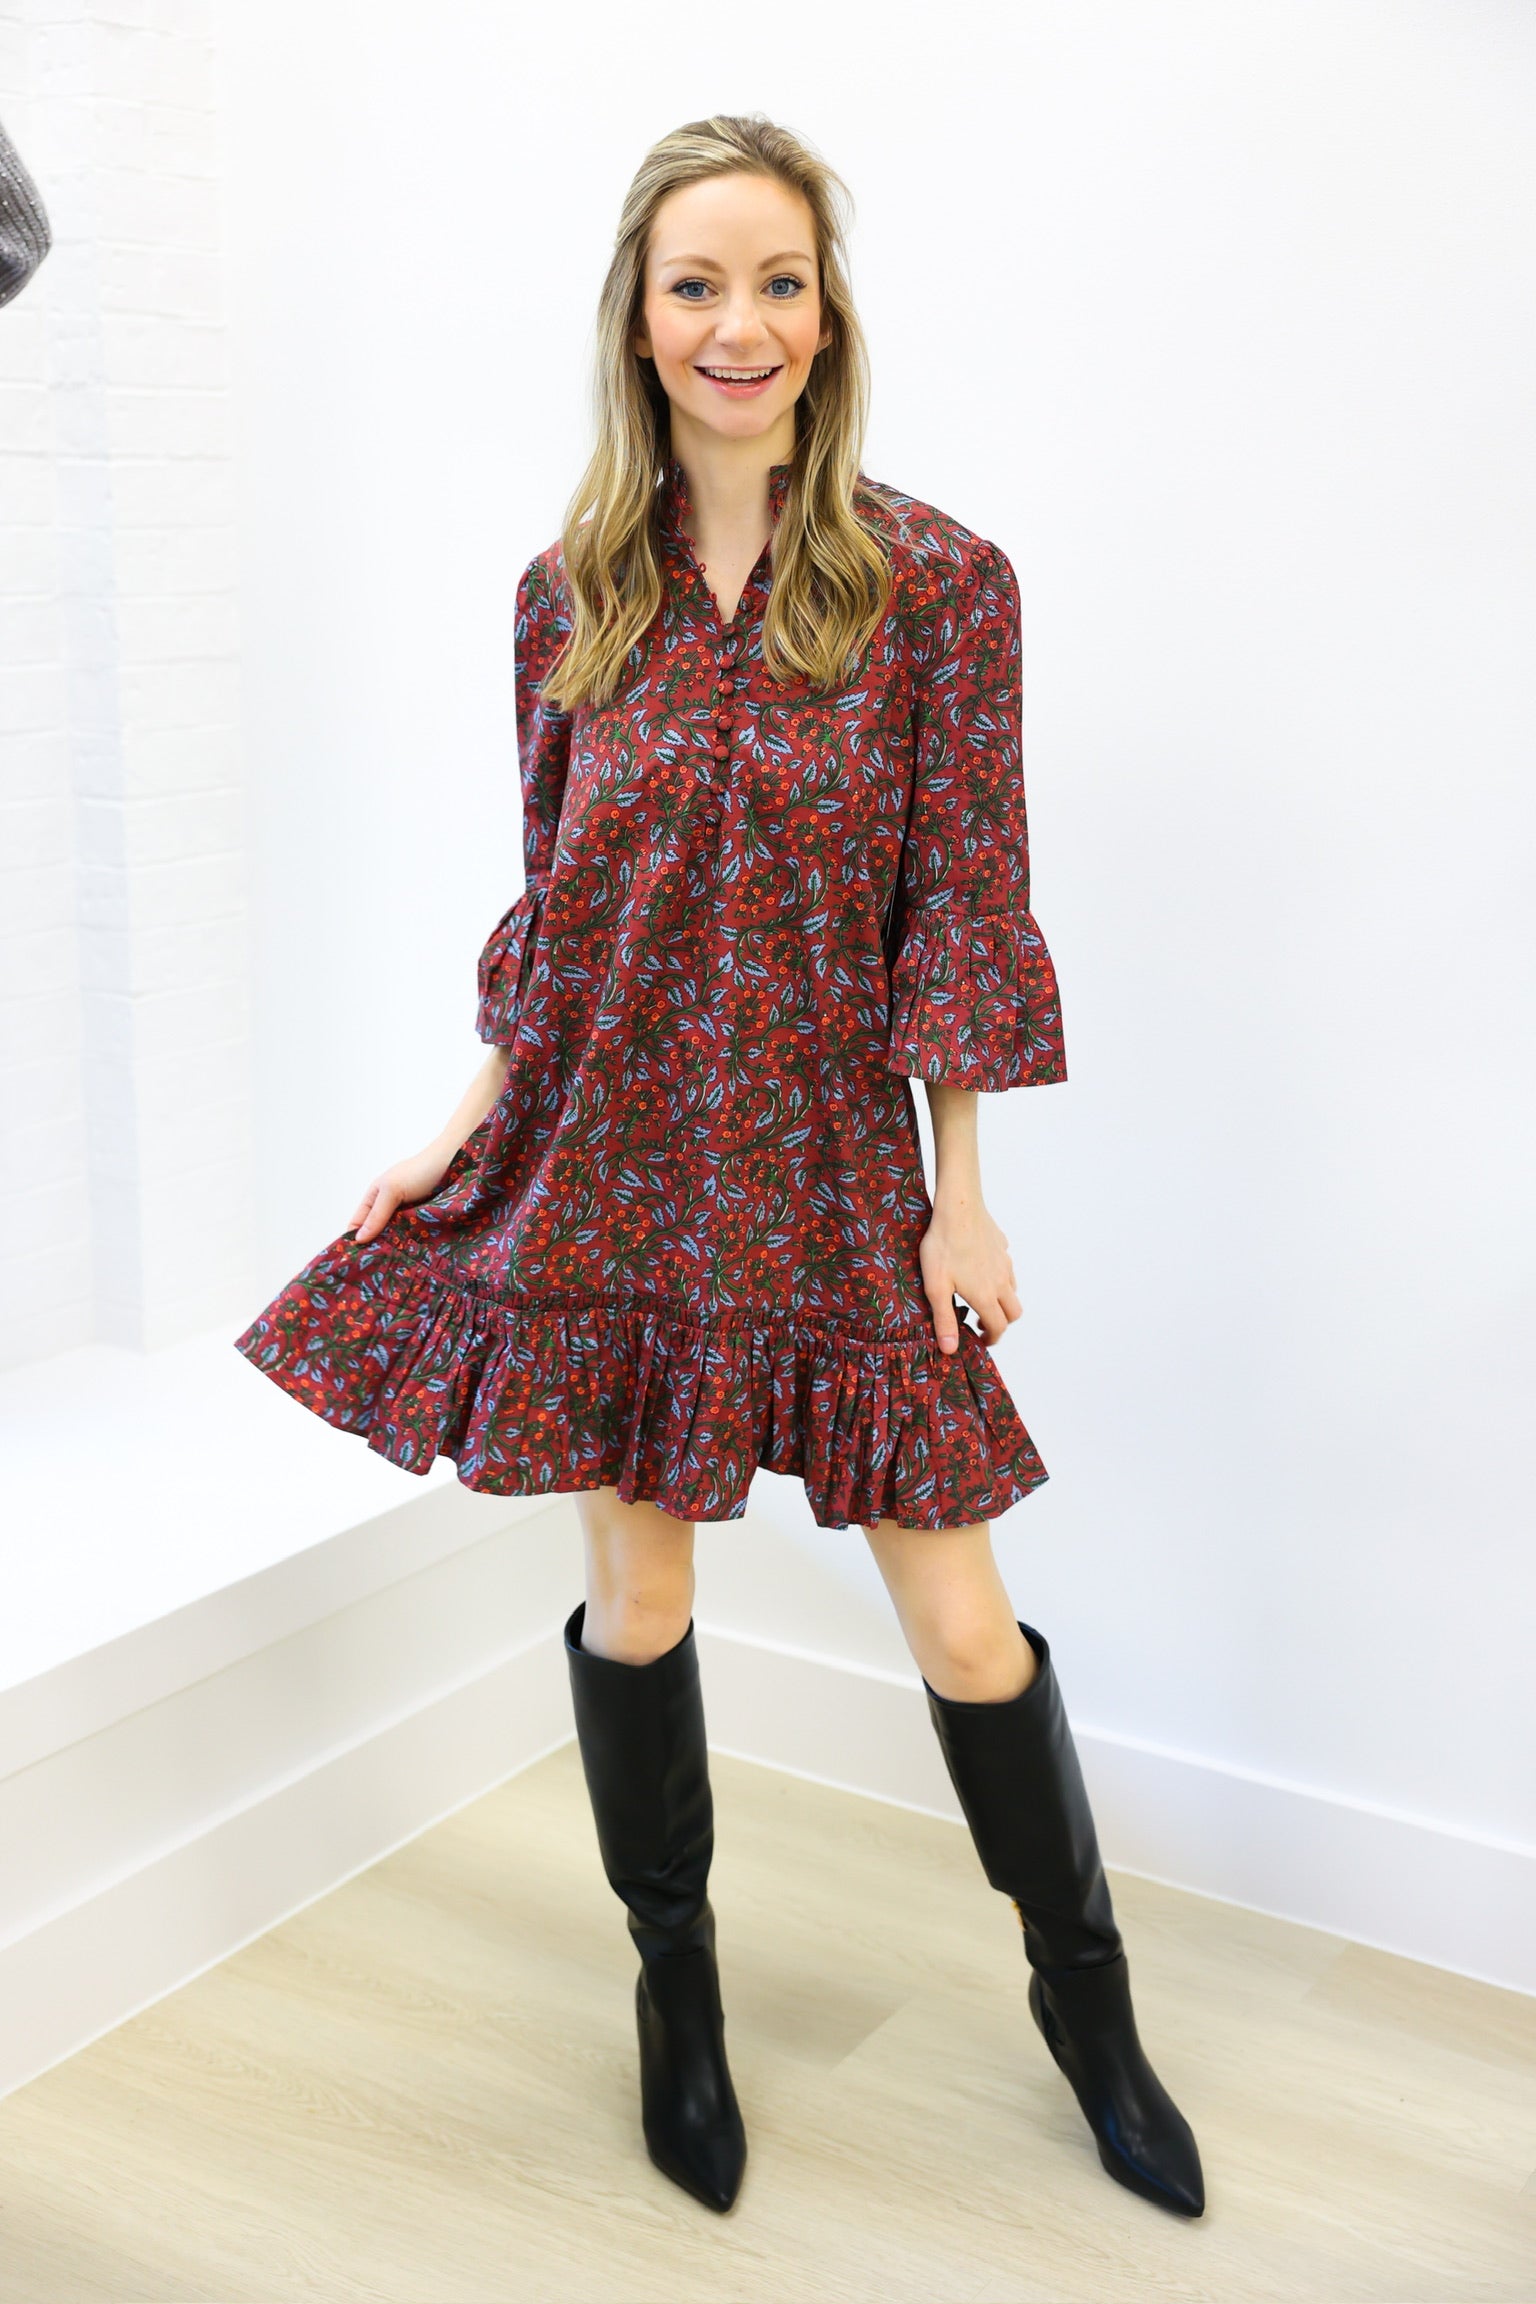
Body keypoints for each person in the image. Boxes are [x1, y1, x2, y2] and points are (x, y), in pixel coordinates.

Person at [233, 111, 1204, 2223]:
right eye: (698, 284)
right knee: (642, 1597)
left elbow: (964, 905)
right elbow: (565, 913)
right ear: (641, 318)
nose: (738, 323)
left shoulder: (940, 588)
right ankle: (677, 1994)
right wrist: (462, 1128)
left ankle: (1089, 2006)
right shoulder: (569, 594)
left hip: (836, 1175)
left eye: (777, 281)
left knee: (965, 1629)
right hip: (615, 1166)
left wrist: (960, 1188)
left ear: (825, 316)